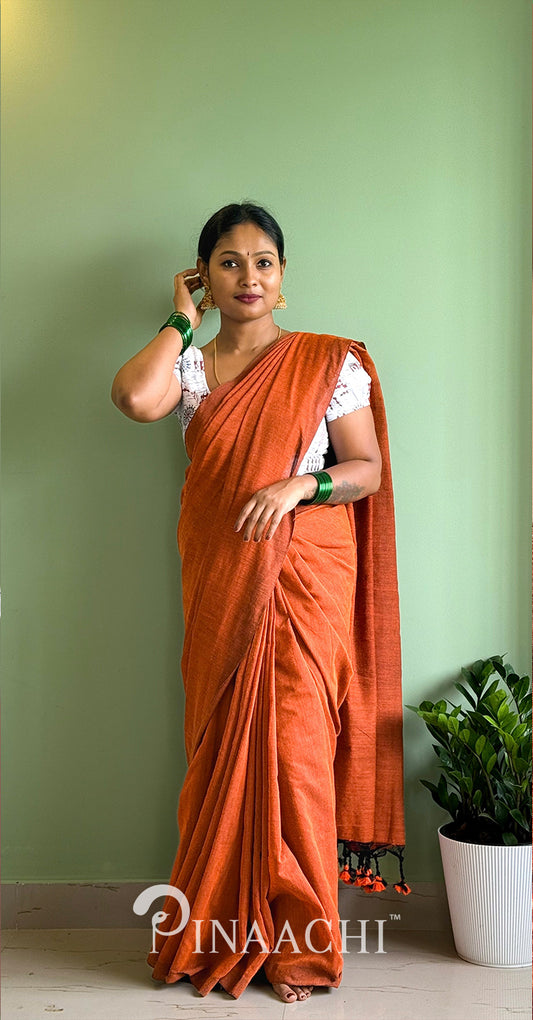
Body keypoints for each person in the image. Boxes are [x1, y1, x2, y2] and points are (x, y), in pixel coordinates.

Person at [111, 201, 410, 1005]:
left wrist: (295, 486)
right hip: (220, 576)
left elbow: (365, 470)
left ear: (283, 281)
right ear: (203, 276)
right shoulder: (189, 369)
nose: (249, 276)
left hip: (305, 574)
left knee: (297, 759)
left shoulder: (325, 362)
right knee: (219, 755)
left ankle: (302, 950)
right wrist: (178, 322)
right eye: (230, 262)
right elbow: (132, 399)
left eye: (264, 262)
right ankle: (220, 931)